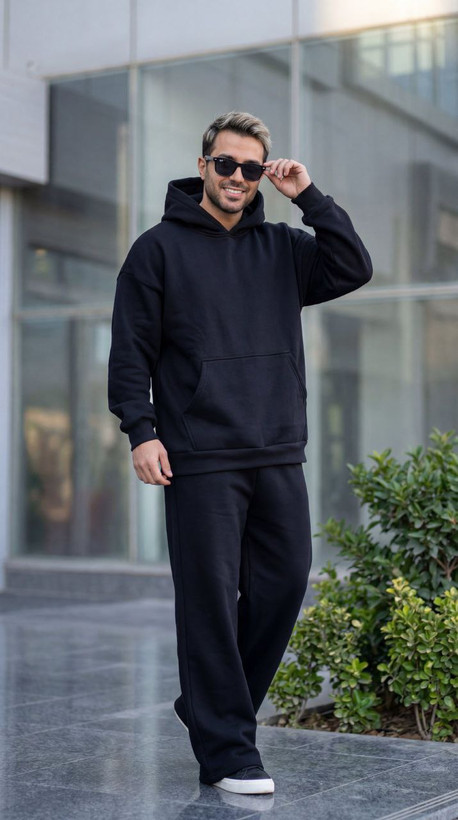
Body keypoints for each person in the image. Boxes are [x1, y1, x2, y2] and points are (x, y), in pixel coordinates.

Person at [107, 111, 373, 795]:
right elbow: (131, 350)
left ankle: (208, 705)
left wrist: (308, 196)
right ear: (203, 166)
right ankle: (227, 752)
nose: (237, 177)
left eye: (251, 168)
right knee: (208, 603)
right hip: (198, 455)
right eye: (226, 164)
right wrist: (141, 430)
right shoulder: (156, 250)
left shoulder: (284, 247)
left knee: (285, 584)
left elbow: (354, 265)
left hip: (277, 447)